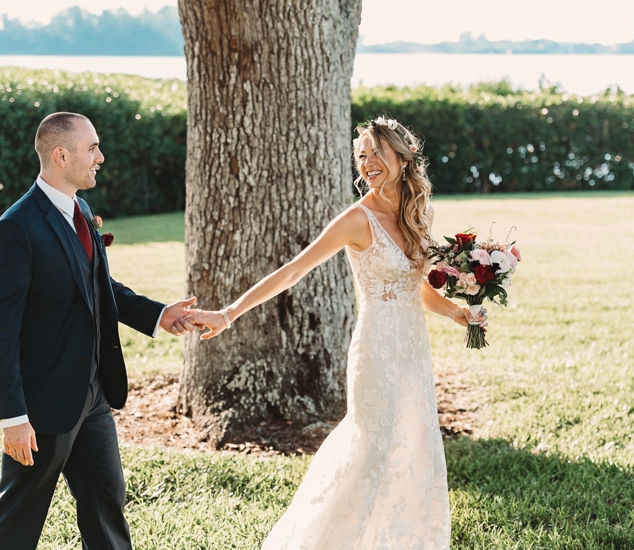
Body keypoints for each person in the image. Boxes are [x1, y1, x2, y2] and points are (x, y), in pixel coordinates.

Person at [178, 117, 487, 549]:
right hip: (377, 348)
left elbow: (415, 286)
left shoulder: (420, 212)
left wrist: (457, 312)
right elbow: (294, 269)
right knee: (371, 448)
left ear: (403, 157)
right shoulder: (356, 219)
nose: (369, 163)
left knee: (414, 445)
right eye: (362, 156)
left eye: (377, 153)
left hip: (414, 350)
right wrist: (229, 313)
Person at [0, 112, 196, 549]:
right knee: (19, 519)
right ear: (61, 155)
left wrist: (158, 315)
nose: (101, 156)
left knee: (106, 504)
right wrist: (12, 417)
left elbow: (98, 286)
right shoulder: (14, 229)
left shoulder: (82, 209)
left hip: (93, 396)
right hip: (41, 406)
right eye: (92, 148)